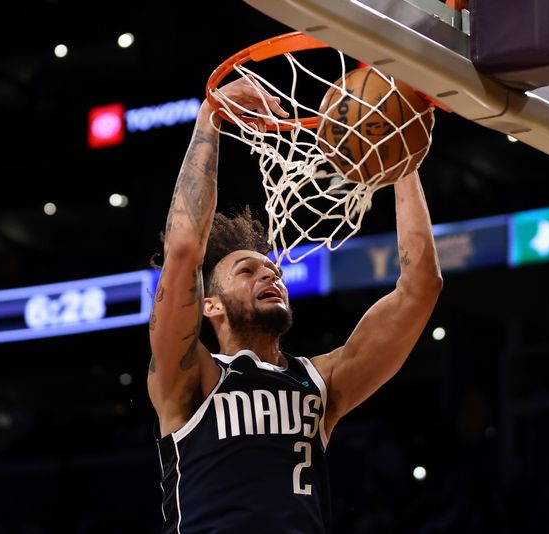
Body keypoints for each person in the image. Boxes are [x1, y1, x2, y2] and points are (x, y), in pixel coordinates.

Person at [147, 76, 442, 533]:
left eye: (275, 272)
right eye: (247, 272)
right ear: (210, 306)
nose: (270, 274)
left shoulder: (320, 382)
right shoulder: (188, 375)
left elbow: (420, 287)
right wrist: (210, 118)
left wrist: (399, 152)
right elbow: (184, 248)